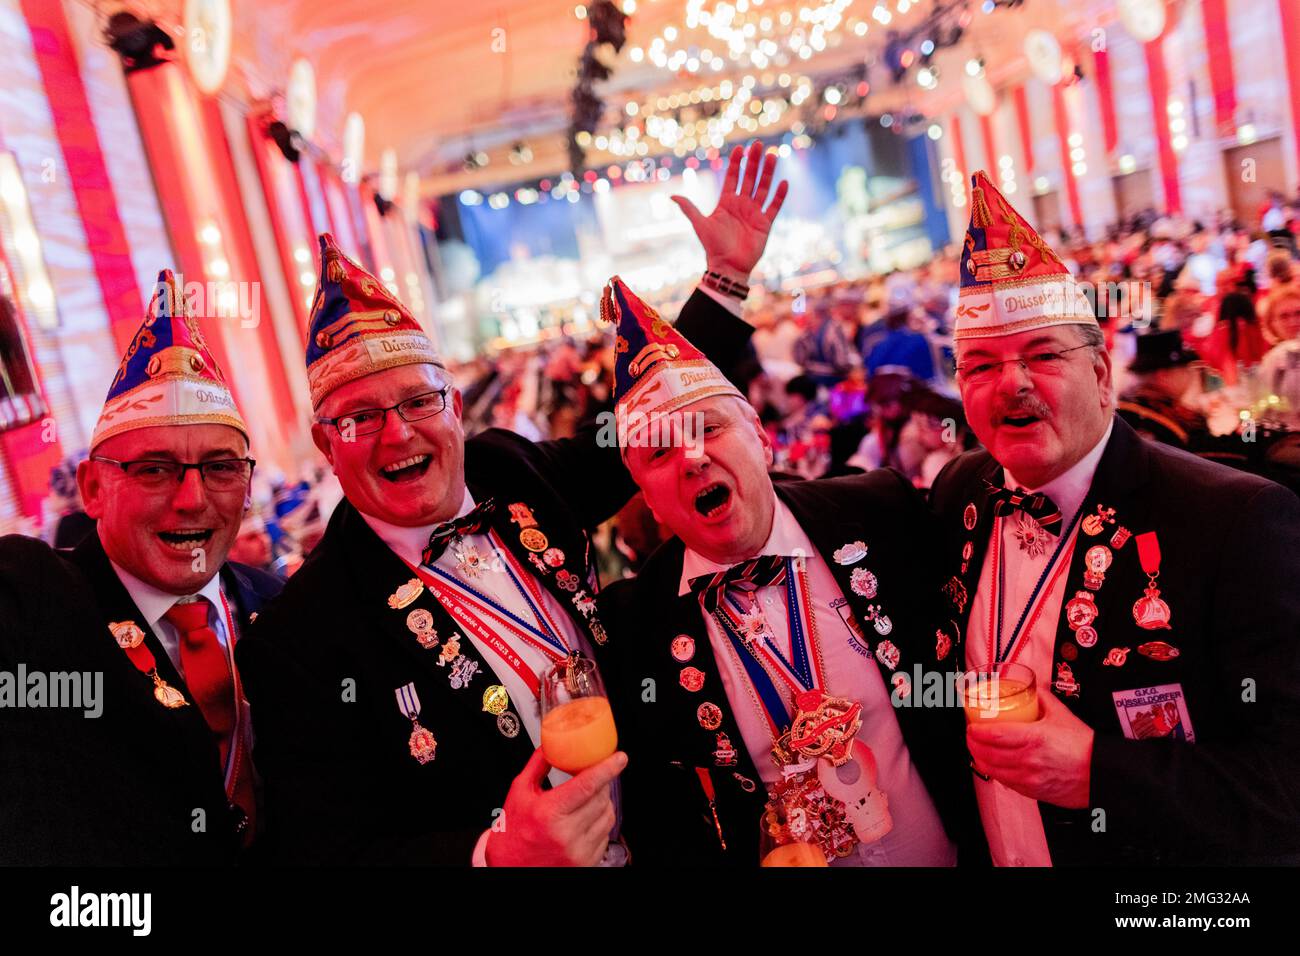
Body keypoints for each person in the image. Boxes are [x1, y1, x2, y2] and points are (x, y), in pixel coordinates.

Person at [235, 141, 788, 865]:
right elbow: (323, 850)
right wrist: (496, 855)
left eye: (416, 402)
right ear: (323, 441)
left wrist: (724, 281)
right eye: (358, 417)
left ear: (455, 405)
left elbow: (644, 417)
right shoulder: (298, 639)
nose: (396, 433)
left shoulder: (510, 469)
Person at [929, 171, 1300, 865]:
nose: (1011, 383)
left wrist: (1100, 775)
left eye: (1042, 355)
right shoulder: (959, 492)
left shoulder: (1237, 520)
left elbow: (1287, 788)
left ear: (1102, 374)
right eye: (980, 365)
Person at [595, 278, 986, 866]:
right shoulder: (631, 628)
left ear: (760, 436)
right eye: (659, 451)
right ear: (645, 496)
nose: (693, 456)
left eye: (709, 428)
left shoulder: (881, 512)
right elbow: (661, 820)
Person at [0, 270, 280, 864]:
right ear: (93, 489)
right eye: (154, 469)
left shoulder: (282, 611)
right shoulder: (36, 606)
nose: (192, 498)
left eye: (221, 467)